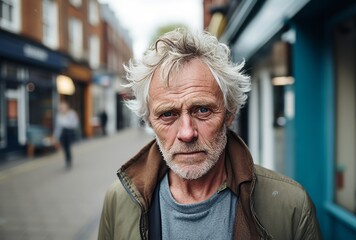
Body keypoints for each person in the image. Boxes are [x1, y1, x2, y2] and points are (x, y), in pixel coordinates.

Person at [98, 29, 321, 239]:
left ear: (229, 114)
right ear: (149, 121)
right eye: (167, 114)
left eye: (203, 110)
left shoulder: (290, 206)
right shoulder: (119, 200)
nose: (187, 133)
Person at [53, 100, 79, 169]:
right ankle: (67, 160)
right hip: (63, 133)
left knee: (68, 148)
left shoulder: (71, 113)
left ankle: (69, 160)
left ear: (67, 107)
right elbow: (58, 127)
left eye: (63, 106)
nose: (62, 107)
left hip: (69, 132)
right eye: (61, 106)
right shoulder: (59, 115)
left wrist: (67, 122)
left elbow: (75, 124)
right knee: (65, 148)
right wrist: (56, 137)